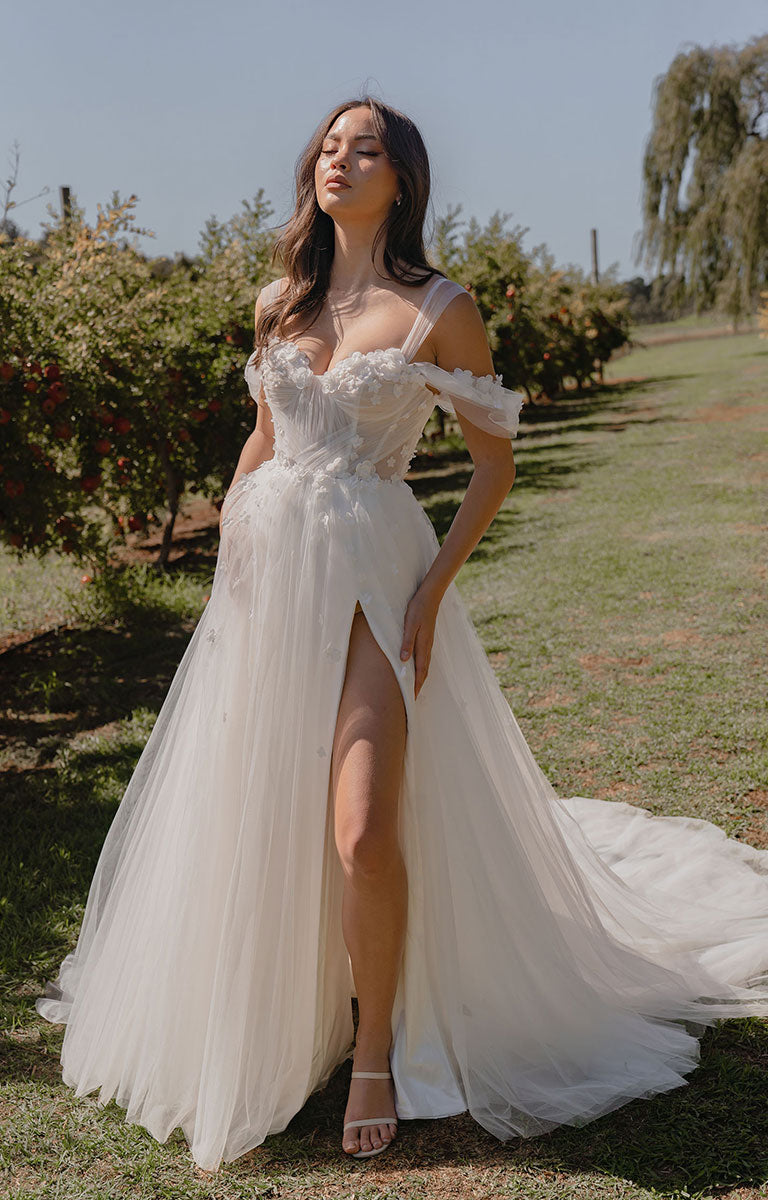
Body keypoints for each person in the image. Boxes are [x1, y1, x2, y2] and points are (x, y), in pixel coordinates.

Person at [36, 94, 768, 1173]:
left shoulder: (441, 309)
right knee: (257, 808)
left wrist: (429, 594)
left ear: (403, 177)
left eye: (364, 146)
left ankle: (376, 1047)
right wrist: (230, 552)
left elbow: (492, 464)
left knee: (363, 829)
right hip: (268, 579)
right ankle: (294, 1010)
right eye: (329, 146)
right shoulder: (276, 301)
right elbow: (262, 437)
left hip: (379, 581)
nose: (340, 159)